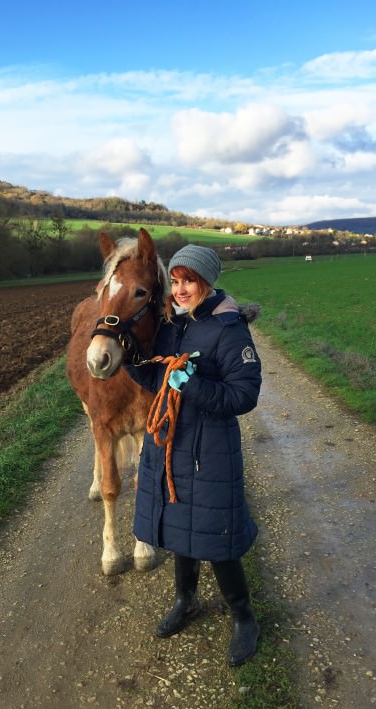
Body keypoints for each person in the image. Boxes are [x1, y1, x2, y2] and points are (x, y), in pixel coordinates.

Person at [125, 244, 262, 667]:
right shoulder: (172, 325)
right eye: (177, 281)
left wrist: (192, 384)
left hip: (210, 449)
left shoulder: (229, 329)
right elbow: (158, 374)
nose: (181, 290)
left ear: (207, 282)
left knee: (218, 536)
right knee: (178, 526)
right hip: (170, 441)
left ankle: (243, 617)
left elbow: (244, 395)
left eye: (190, 281)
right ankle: (186, 601)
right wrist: (133, 361)